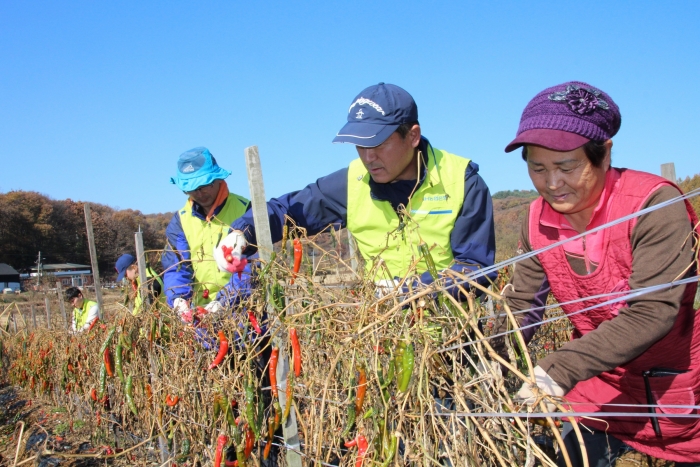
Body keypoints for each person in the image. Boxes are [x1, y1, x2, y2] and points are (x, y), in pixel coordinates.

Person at [500, 81, 700, 466]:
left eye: (566, 166)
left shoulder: (654, 205)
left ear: (604, 154)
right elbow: (520, 307)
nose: (552, 184)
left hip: (675, 389)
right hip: (599, 392)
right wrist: (486, 352)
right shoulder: (535, 220)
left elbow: (652, 311)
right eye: (537, 168)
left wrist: (559, 368)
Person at [215, 83, 496, 297]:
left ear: (412, 136)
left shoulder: (462, 181)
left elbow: (475, 268)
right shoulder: (353, 181)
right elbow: (288, 210)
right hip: (383, 339)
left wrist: (410, 291)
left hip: (454, 336)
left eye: (378, 143)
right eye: (360, 145)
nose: (368, 157)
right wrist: (242, 232)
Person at [162, 147, 253, 320]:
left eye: (204, 186)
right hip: (200, 315)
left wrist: (225, 301)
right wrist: (178, 298)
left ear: (217, 178)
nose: (199, 193)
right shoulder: (181, 220)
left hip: (243, 310)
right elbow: (177, 266)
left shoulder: (245, 210)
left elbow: (254, 264)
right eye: (192, 189)